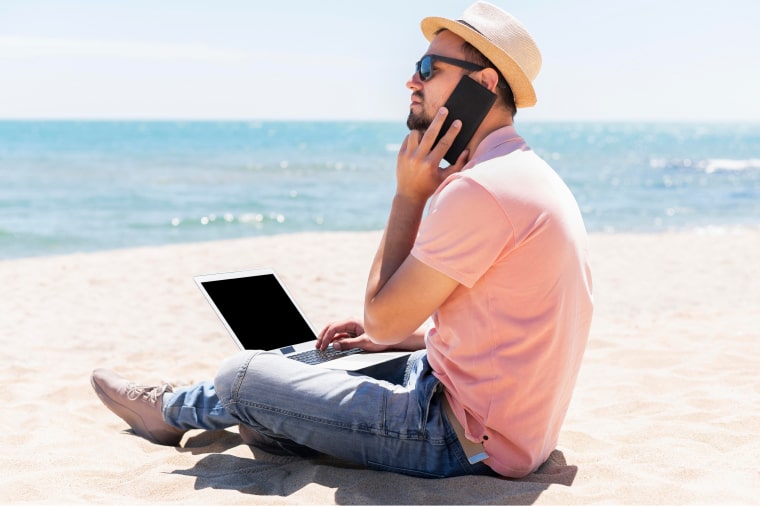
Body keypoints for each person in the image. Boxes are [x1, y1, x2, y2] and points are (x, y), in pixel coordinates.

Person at [91, 1, 593, 479]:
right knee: (319, 358)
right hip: (507, 421)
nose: (411, 80)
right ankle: (191, 410)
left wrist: (408, 197)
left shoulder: (480, 189)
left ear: (482, 84)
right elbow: (509, 333)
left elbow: (382, 312)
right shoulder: (526, 174)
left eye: (428, 66)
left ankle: (183, 411)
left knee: (241, 375)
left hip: (463, 438)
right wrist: (394, 338)